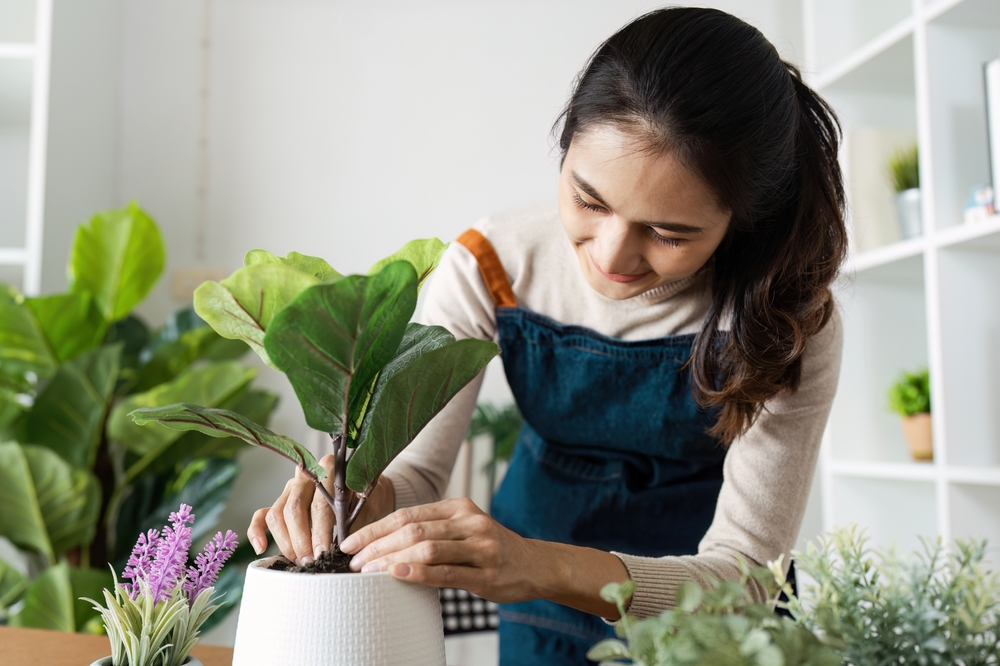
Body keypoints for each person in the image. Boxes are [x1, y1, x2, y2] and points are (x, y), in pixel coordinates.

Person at [247, 6, 847, 665]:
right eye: (589, 200)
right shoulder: (495, 266)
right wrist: (356, 494)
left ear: (742, 220)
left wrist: (539, 565)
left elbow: (746, 578)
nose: (613, 253)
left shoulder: (788, 322)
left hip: (709, 623)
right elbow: (415, 470)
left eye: (669, 233)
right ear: (565, 147)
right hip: (538, 608)